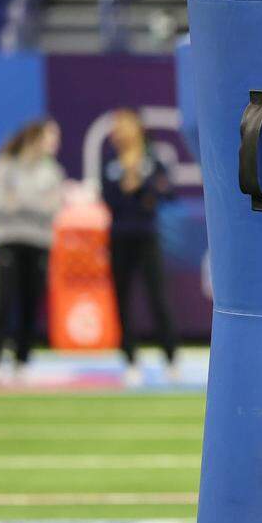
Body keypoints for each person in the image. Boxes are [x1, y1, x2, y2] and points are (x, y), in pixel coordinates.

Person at [0, 118, 64, 385]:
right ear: (36, 137)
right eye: (51, 136)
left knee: (30, 305)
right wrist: (34, 203)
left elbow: (53, 209)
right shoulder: (5, 164)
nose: (56, 143)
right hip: (8, 240)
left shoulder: (52, 171)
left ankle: (22, 362)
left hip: (39, 243)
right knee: (3, 302)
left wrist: (20, 200)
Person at [101, 108, 178, 386]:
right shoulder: (110, 160)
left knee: (158, 297)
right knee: (122, 299)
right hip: (120, 235)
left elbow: (168, 191)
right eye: (116, 125)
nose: (120, 130)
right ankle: (130, 359)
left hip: (147, 235)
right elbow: (108, 198)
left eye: (125, 124)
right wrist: (127, 190)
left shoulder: (151, 156)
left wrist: (145, 189)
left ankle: (170, 358)